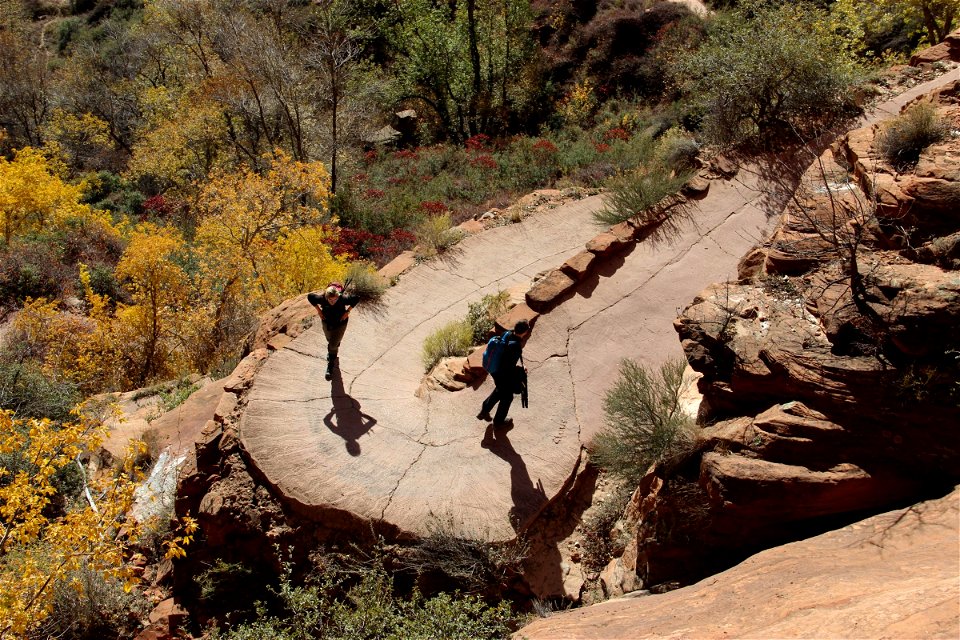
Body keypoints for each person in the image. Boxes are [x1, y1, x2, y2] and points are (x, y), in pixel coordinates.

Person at [477, 319, 530, 428]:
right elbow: (509, 367)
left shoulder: (508, 333)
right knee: (507, 397)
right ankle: (498, 422)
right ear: (524, 332)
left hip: (495, 370)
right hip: (502, 374)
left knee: (500, 390)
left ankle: (484, 410)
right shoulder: (515, 346)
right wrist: (521, 369)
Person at [307, 284, 359, 380]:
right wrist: (319, 310)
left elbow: (356, 298)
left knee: (332, 345)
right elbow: (310, 297)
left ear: (338, 296)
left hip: (340, 323)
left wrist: (347, 312)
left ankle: (330, 367)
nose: (333, 302)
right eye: (330, 300)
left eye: (335, 299)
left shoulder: (342, 298)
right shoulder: (322, 298)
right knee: (330, 340)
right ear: (326, 297)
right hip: (327, 322)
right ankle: (333, 349)